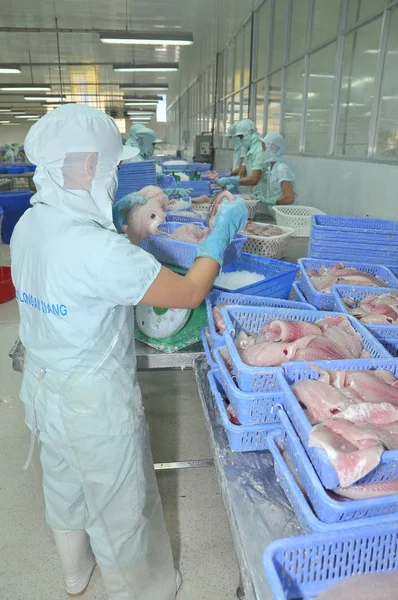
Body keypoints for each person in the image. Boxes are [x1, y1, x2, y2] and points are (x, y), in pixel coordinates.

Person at [10, 104, 247, 600]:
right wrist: (220, 232)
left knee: (65, 487)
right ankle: (139, 593)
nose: (115, 177)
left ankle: (75, 578)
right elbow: (188, 293)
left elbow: (82, 278)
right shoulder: (99, 252)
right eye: (113, 168)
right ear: (91, 167)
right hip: (94, 403)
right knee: (118, 507)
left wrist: (130, 228)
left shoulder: (32, 224)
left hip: (44, 385)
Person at [216, 119, 267, 200]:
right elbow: (242, 171)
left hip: (264, 193)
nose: (240, 139)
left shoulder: (259, 149)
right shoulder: (249, 149)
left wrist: (230, 180)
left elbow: (254, 179)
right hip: (255, 193)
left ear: (250, 132)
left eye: (241, 136)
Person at [259, 132, 296, 214]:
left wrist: (270, 201)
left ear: (273, 148)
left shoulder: (282, 169)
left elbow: (289, 198)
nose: (262, 151)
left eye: (264, 148)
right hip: (276, 214)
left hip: (286, 215)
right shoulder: (271, 168)